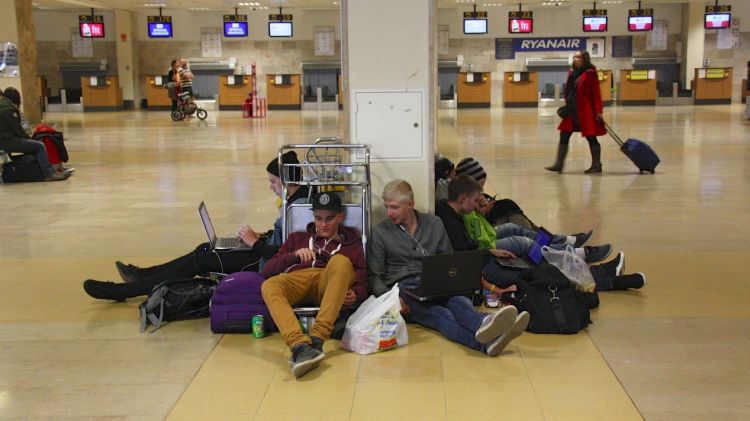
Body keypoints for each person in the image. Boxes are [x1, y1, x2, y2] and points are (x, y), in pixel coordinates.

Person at [83, 151, 311, 301]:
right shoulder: (294, 201)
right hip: (261, 251)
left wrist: (255, 243)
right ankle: (144, 274)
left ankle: (124, 291)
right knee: (204, 248)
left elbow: (286, 254)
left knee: (201, 259)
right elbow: (285, 238)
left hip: (263, 263)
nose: (271, 186)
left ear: (287, 180)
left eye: (273, 182)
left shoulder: (298, 208)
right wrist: (263, 235)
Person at [368, 180, 529, 357]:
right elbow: (375, 277)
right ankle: (486, 335)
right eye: (387, 207)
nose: (389, 213)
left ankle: (486, 327)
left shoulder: (434, 224)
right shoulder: (380, 233)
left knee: (458, 300)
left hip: (436, 281)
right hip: (405, 290)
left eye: (394, 207)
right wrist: (392, 302)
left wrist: (453, 283)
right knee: (441, 315)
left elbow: (449, 262)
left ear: (410, 205)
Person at [437, 176, 644, 291]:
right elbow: (463, 256)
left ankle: (597, 270)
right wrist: (491, 253)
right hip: (483, 269)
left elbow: (467, 251)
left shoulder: (450, 214)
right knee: (537, 275)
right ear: (463, 199)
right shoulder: (450, 221)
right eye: (474, 201)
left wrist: (490, 252)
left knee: (538, 266)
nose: (476, 206)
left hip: (484, 262)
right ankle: (607, 277)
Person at [261, 191, 367, 379]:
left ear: (340, 217)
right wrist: (293, 256)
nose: (323, 225)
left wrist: (356, 293)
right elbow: (267, 270)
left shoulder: (353, 244)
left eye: (329, 219)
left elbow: (363, 280)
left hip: (327, 282)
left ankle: (317, 339)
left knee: (341, 262)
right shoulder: (297, 238)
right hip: (297, 279)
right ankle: (299, 345)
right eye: (318, 219)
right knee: (269, 285)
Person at [546, 49, 607, 174]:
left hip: (585, 110)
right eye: (574, 57)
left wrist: (599, 110)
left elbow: (596, 93)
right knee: (564, 134)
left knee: (591, 136)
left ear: (584, 59)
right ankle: (559, 164)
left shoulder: (590, 73)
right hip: (572, 110)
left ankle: (597, 164)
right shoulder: (572, 73)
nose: (575, 59)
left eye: (578, 57)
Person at [0, 87, 69, 182]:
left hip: (4, 140)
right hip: (7, 141)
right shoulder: (9, 109)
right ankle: (49, 174)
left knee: (33, 145)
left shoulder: (3, 105)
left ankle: (48, 170)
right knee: (39, 146)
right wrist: (31, 139)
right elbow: (18, 130)